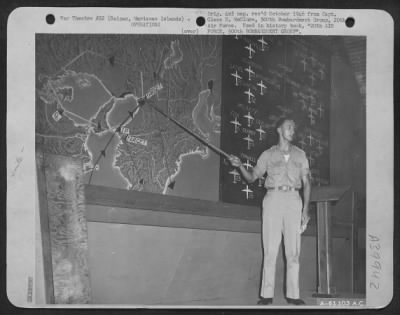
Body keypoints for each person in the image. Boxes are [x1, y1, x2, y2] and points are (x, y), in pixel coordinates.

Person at [229, 117, 311, 306]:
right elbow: (252, 178)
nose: (293, 130)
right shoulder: (267, 154)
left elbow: (307, 183)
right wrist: (240, 165)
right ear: (279, 130)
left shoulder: (301, 155)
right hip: (273, 200)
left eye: (294, 127)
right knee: (270, 250)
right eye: (289, 127)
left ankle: (293, 295)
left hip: (294, 200)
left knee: (294, 252)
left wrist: (305, 209)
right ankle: (266, 295)